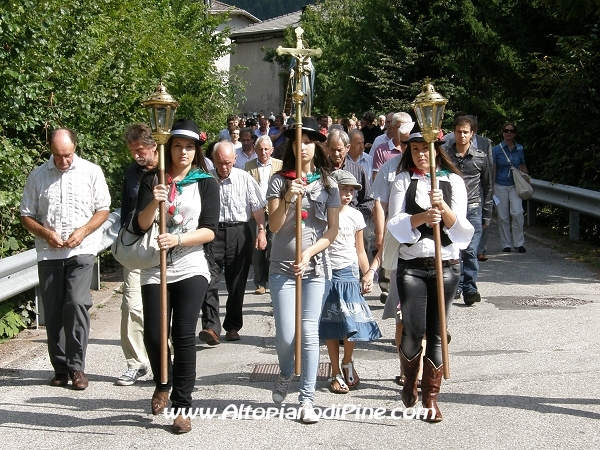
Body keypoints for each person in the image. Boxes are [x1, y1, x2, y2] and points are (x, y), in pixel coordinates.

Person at [132, 118, 219, 433]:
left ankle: (182, 406)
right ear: (169, 148)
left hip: (190, 263)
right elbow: (140, 226)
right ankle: (162, 382)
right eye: (178, 146)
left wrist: (179, 239)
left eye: (190, 146)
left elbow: (209, 230)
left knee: (183, 335)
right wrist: (153, 204)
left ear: (196, 151)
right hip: (156, 266)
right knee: (154, 336)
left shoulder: (205, 182)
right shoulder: (152, 180)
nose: (184, 152)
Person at [384, 126, 474, 422]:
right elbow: (395, 224)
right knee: (413, 331)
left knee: (437, 333)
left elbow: (461, 229)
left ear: (437, 150)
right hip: (412, 267)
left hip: (446, 265)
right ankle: (409, 379)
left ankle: (430, 398)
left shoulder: (454, 182)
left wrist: (442, 207)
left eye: (426, 148)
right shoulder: (402, 180)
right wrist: (423, 216)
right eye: (415, 149)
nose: (421, 154)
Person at [20, 128, 111, 390]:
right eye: (58, 156)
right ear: (51, 150)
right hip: (49, 252)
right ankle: (60, 368)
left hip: (82, 249)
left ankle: (76, 367)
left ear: (75, 148)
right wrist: (45, 233)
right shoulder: (38, 175)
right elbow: (26, 214)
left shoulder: (91, 171)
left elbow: (103, 209)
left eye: (68, 155)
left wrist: (83, 231)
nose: (63, 161)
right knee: (54, 308)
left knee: (76, 302)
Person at [267, 117, 339, 424]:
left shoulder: (329, 183)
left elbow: (332, 231)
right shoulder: (278, 180)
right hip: (282, 269)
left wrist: (309, 253)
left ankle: (307, 399)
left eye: (310, 142)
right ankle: (285, 371)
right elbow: (273, 225)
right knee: (286, 335)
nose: (305, 147)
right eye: (300, 141)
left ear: (316, 145)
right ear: (293, 145)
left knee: (309, 333)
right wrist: (289, 196)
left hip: (315, 268)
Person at [319, 170, 381, 394]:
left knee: (351, 322)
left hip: (349, 273)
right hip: (326, 272)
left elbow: (360, 250)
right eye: (343, 189)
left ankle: (348, 361)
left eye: (351, 190)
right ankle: (335, 370)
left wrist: (367, 274)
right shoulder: (322, 212)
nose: (347, 194)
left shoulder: (356, 216)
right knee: (331, 324)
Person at [200, 141, 267, 344]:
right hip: (211, 232)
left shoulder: (245, 178)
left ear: (235, 160)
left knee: (237, 283)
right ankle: (211, 326)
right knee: (208, 280)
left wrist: (261, 231)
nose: (224, 167)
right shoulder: (206, 181)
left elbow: (257, 208)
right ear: (213, 160)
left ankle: (232, 326)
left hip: (239, 231)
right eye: (219, 162)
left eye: (228, 162)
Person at [115, 123, 157, 386]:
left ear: (154, 146)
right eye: (132, 151)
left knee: (163, 307)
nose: (136, 156)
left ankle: (163, 362)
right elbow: (125, 211)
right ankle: (136, 364)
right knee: (131, 305)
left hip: (166, 248)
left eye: (139, 150)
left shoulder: (173, 169)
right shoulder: (132, 173)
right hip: (136, 249)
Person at [445, 116, 492, 305]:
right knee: (454, 249)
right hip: (452, 209)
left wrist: (487, 214)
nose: (462, 135)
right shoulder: (445, 155)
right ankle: (456, 285)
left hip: (473, 208)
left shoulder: (481, 157)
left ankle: (470, 288)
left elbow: (488, 187)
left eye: (466, 132)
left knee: (470, 250)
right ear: (454, 132)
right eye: (458, 131)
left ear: (472, 133)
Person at [244, 135, 283, 295]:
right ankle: (260, 283)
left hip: (275, 210)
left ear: (272, 150)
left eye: (266, 149)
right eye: (260, 149)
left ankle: (274, 279)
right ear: (256, 150)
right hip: (255, 212)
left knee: (274, 247)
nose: (263, 152)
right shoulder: (248, 166)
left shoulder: (280, 165)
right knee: (257, 249)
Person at [492, 122, 529, 253]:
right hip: (500, 185)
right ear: (502, 132)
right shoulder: (496, 149)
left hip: (515, 185)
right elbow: (494, 168)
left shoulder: (519, 149)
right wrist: (492, 187)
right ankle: (506, 243)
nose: (509, 133)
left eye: (512, 131)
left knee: (517, 213)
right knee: (503, 216)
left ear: (515, 133)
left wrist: (526, 181)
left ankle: (519, 243)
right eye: (506, 130)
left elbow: (522, 166)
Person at [371, 112, 414, 180]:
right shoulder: (381, 150)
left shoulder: (416, 150)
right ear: (393, 127)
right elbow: (376, 178)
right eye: (399, 127)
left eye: (406, 127)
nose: (402, 130)